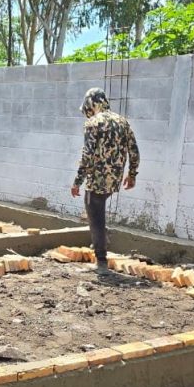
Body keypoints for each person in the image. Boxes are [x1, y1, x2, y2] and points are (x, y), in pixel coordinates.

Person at [71, 87, 139, 274]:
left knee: (95, 216)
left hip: (97, 179)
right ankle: (101, 238)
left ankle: (101, 261)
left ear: (91, 104)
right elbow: (134, 151)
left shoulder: (93, 123)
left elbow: (87, 155)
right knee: (97, 213)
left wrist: (77, 181)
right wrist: (132, 175)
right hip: (115, 179)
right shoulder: (122, 121)